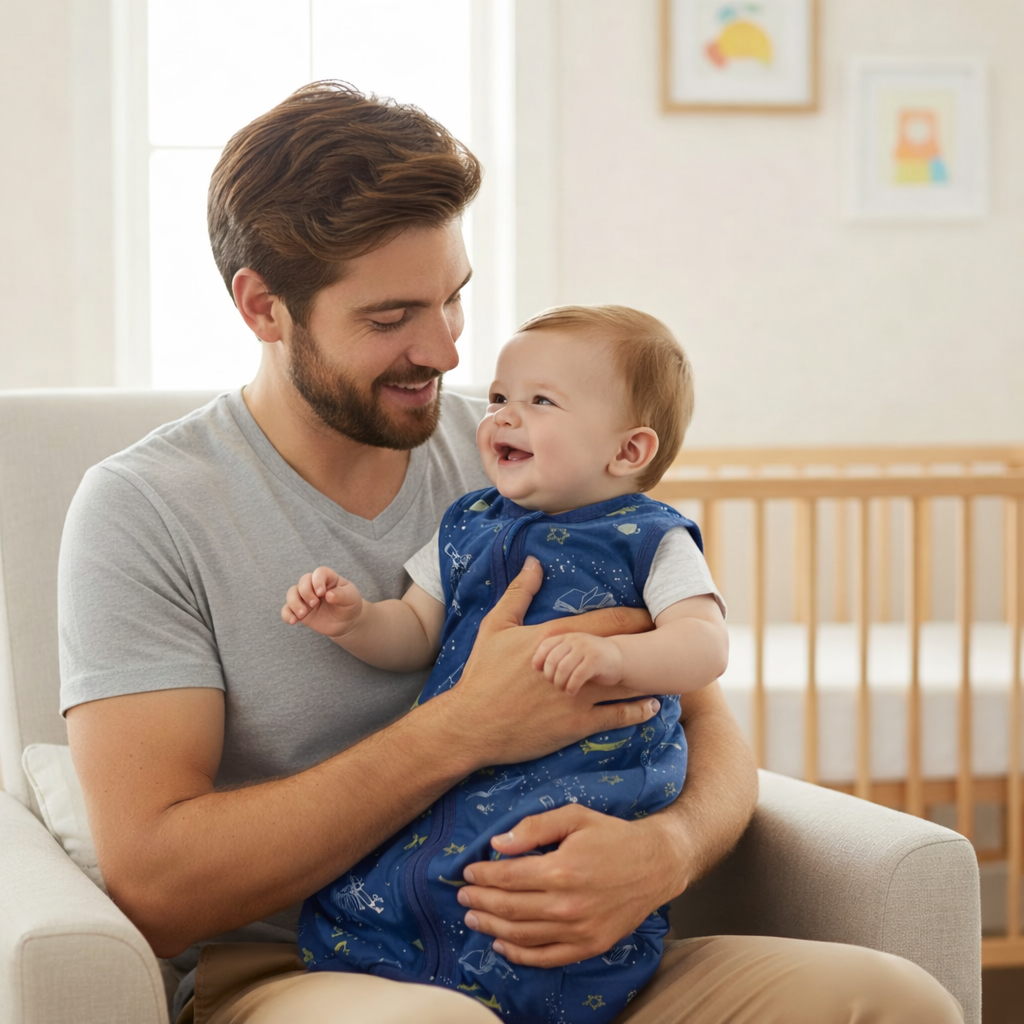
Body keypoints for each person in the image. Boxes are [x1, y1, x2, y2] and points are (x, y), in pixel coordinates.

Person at [59, 81, 963, 1024]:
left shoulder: (529, 454)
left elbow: (704, 718)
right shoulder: (144, 509)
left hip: (585, 957)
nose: (448, 351)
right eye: (390, 318)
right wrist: (464, 728)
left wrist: (670, 852)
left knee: (891, 999)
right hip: (319, 966)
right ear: (263, 307)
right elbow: (155, 886)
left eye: (455, 299)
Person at [283, 305, 729, 1023]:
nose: (502, 417)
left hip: (588, 785)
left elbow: (705, 647)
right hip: (470, 775)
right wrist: (356, 620)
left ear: (628, 450)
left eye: (539, 402)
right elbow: (414, 631)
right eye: (498, 399)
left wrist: (616, 655)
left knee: (537, 897)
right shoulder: (468, 522)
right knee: (424, 878)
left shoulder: (651, 539)